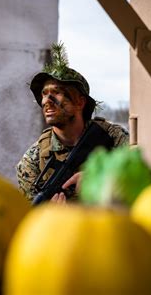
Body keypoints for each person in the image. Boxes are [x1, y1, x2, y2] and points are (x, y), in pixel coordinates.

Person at [16, 42, 129, 204]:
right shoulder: (32, 160)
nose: (47, 101)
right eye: (44, 94)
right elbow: (31, 220)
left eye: (56, 92)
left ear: (80, 102)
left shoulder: (114, 137)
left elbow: (144, 181)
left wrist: (98, 180)